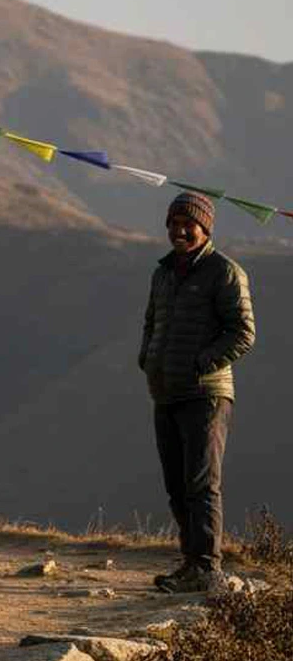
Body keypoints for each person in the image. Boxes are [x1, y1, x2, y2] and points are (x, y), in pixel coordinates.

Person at [140, 191, 256, 593]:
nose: (179, 231)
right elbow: (151, 322)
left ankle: (207, 567)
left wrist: (201, 363)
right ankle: (190, 564)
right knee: (175, 484)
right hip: (165, 391)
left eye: (187, 224)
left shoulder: (225, 272)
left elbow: (243, 333)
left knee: (202, 483)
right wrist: (148, 359)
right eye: (173, 224)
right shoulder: (163, 273)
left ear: (205, 228)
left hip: (206, 394)